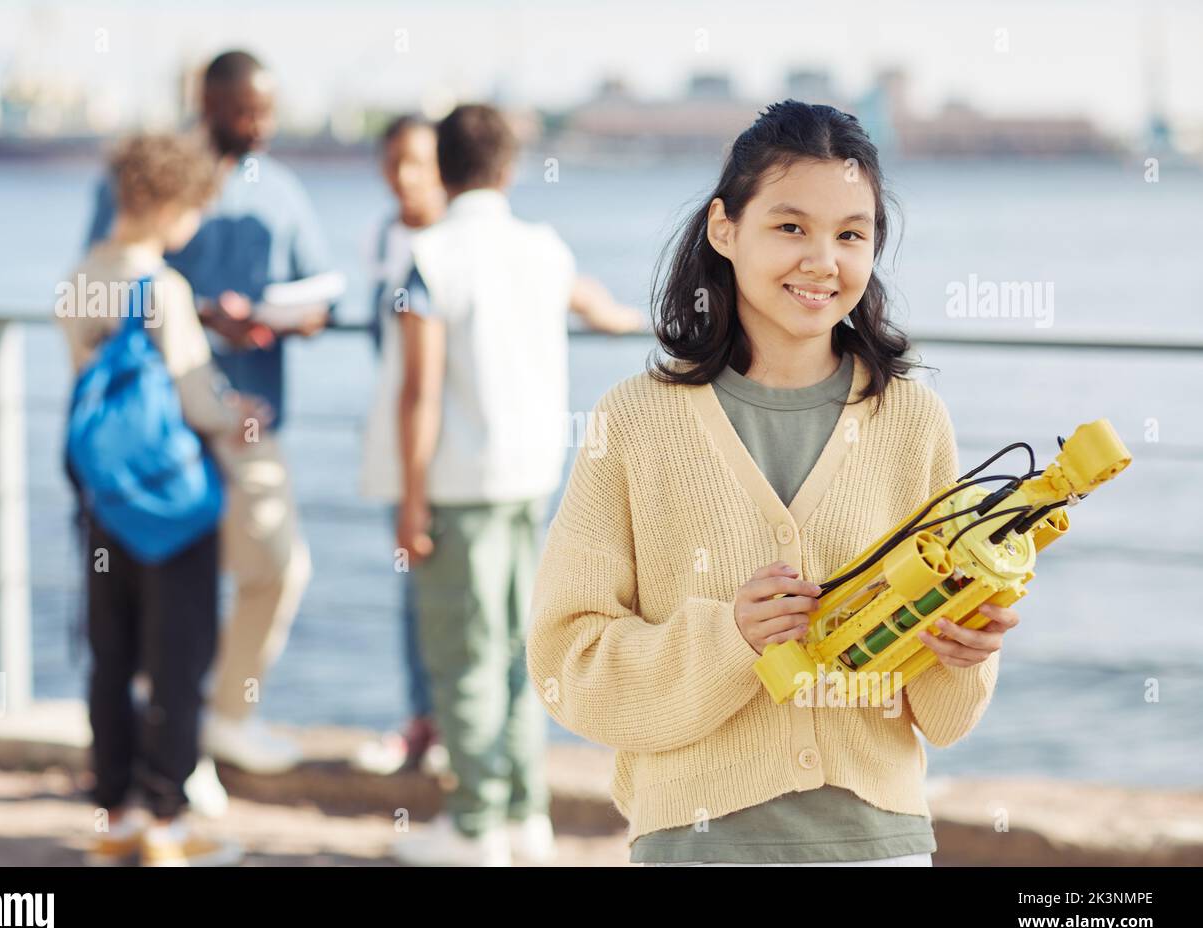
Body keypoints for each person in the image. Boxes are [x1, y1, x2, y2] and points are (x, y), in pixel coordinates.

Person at [525, 101, 1022, 867]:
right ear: (725, 229)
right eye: (791, 227)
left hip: (878, 846)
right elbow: (567, 663)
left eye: (852, 234)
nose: (823, 261)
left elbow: (946, 718)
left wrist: (965, 649)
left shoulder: (913, 421)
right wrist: (730, 639)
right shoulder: (634, 421)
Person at [360, 104, 642, 866]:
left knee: (464, 656)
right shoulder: (542, 249)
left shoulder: (433, 255)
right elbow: (589, 298)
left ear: (443, 170)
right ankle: (526, 816)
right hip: (531, 479)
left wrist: (409, 500)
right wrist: (621, 316)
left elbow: (419, 392)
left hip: (459, 485)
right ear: (510, 169)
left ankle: (474, 826)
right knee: (523, 652)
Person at [85, 51, 330, 780]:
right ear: (209, 103)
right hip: (157, 435)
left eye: (268, 112)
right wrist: (196, 316)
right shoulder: (145, 177)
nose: (260, 127)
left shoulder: (283, 191)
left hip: (248, 423)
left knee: (278, 568)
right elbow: (110, 283)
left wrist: (268, 319)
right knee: (166, 600)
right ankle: (168, 765)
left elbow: (320, 298)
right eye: (246, 111)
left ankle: (220, 720)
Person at [60, 133, 264, 866]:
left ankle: (112, 818)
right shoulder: (162, 289)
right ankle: (168, 824)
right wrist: (241, 410)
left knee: (110, 656)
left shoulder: (79, 277)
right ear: (168, 204)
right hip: (172, 512)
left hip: (106, 502)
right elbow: (194, 395)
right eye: (192, 211)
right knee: (178, 659)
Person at [352, 115, 449, 777]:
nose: (403, 176)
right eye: (392, 162)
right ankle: (423, 722)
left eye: (416, 161)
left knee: (469, 597)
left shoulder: (459, 242)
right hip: (404, 434)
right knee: (414, 588)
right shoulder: (385, 237)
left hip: (454, 440)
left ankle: (456, 731)